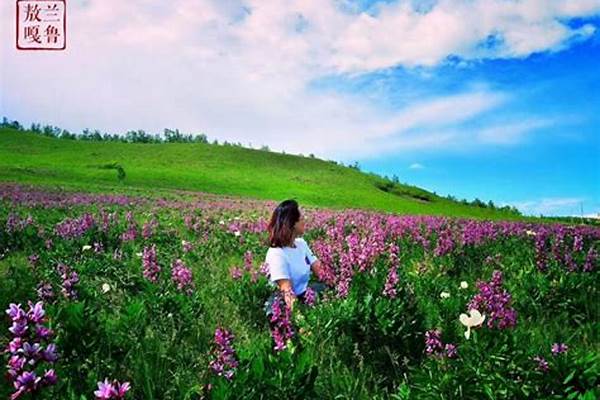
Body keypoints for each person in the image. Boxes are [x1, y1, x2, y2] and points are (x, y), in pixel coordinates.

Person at [263, 199, 329, 318]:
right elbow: (286, 290)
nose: (305, 221)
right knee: (275, 314)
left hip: (304, 293)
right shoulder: (276, 253)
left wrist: (337, 284)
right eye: (301, 218)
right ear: (292, 223)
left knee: (327, 291)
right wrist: (300, 319)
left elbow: (318, 269)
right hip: (284, 297)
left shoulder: (301, 243)